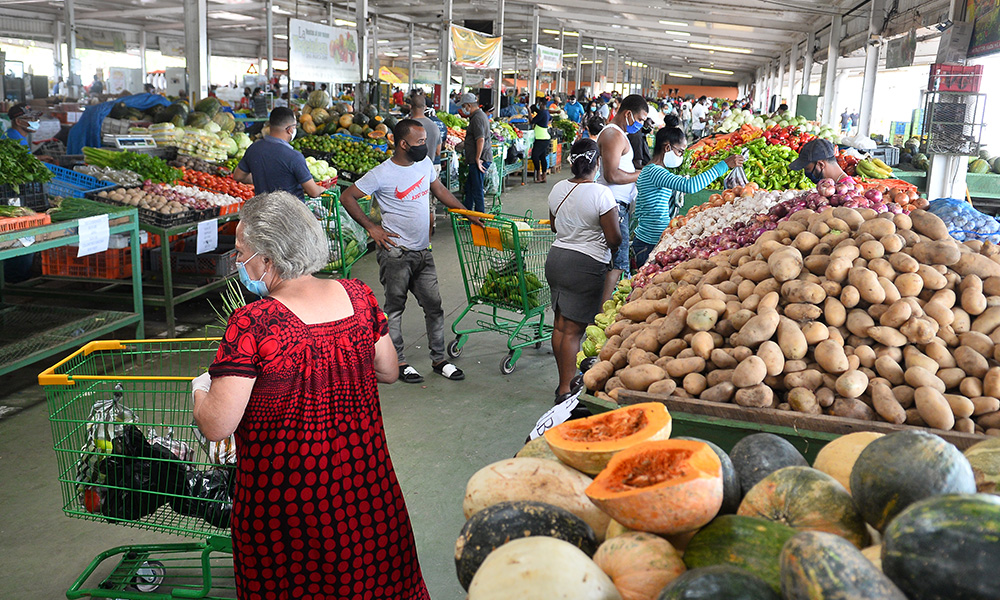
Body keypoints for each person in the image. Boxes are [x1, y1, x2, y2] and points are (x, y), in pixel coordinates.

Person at [191, 191, 430, 600]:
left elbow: (216, 425)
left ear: (268, 259)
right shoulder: (358, 296)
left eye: (241, 252)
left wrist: (200, 391)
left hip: (290, 505)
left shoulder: (255, 323)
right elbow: (388, 369)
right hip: (366, 490)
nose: (238, 263)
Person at [339, 119, 469, 384]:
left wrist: (467, 213)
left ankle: (439, 360)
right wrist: (371, 228)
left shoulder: (423, 165)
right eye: (420, 142)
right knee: (395, 308)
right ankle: (398, 361)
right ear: (403, 144)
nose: (425, 146)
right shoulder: (381, 173)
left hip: (423, 251)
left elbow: (439, 190)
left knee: (434, 307)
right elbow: (347, 197)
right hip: (396, 254)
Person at [546, 138, 622, 404]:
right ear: (597, 163)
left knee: (560, 325)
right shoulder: (601, 194)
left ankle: (561, 384)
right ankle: (566, 389)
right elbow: (614, 238)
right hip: (584, 264)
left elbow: (555, 226)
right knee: (573, 331)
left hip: (556, 259)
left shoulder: (557, 188)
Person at [632, 127, 745, 266]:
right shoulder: (654, 172)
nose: (681, 156)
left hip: (652, 238)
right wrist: (724, 165)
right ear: (667, 147)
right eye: (680, 151)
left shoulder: (654, 170)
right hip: (648, 242)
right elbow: (690, 186)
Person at [596, 94, 648, 302]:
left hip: (619, 206)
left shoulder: (620, 135)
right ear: (628, 114)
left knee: (618, 261)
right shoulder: (612, 135)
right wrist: (644, 173)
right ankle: (603, 314)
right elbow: (612, 175)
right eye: (641, 119)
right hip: (613, 207)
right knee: (619, 264)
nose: (642, 124)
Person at [233, 107, 325, 200]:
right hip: (291, 212)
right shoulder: (294, 157)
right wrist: (322, 189)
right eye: (295, 126)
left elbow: (238, 176)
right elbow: (313, 192)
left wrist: (262, 178)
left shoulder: (254, 148)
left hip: (262, 209)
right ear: (290, 130)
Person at [459, 92, 492, 213]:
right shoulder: (477, 116)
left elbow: (480, 139)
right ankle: (468, 213)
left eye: (464, 106)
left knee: (477, 190)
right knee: (470, 188)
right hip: (476, 159)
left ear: (468, 105)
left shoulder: (478, 118)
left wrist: (477, 159)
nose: (463, 109)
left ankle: (480, 217)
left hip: (480, 160)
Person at [789, 138, 856, 187]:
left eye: (807, 169)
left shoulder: (849, 190)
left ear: (821, 165)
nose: (805, 173)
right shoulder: (828, 186)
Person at [530, 98, 552, 183]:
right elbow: (550, 118)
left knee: (534, 156)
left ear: (542, 104)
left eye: (539, 103)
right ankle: (544, 176)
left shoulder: (542, 113)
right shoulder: (546, 112)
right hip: (544, 137)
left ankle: (538, 175)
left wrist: (529, 111)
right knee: (542, 157)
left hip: (541, 138)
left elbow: (532, 121)